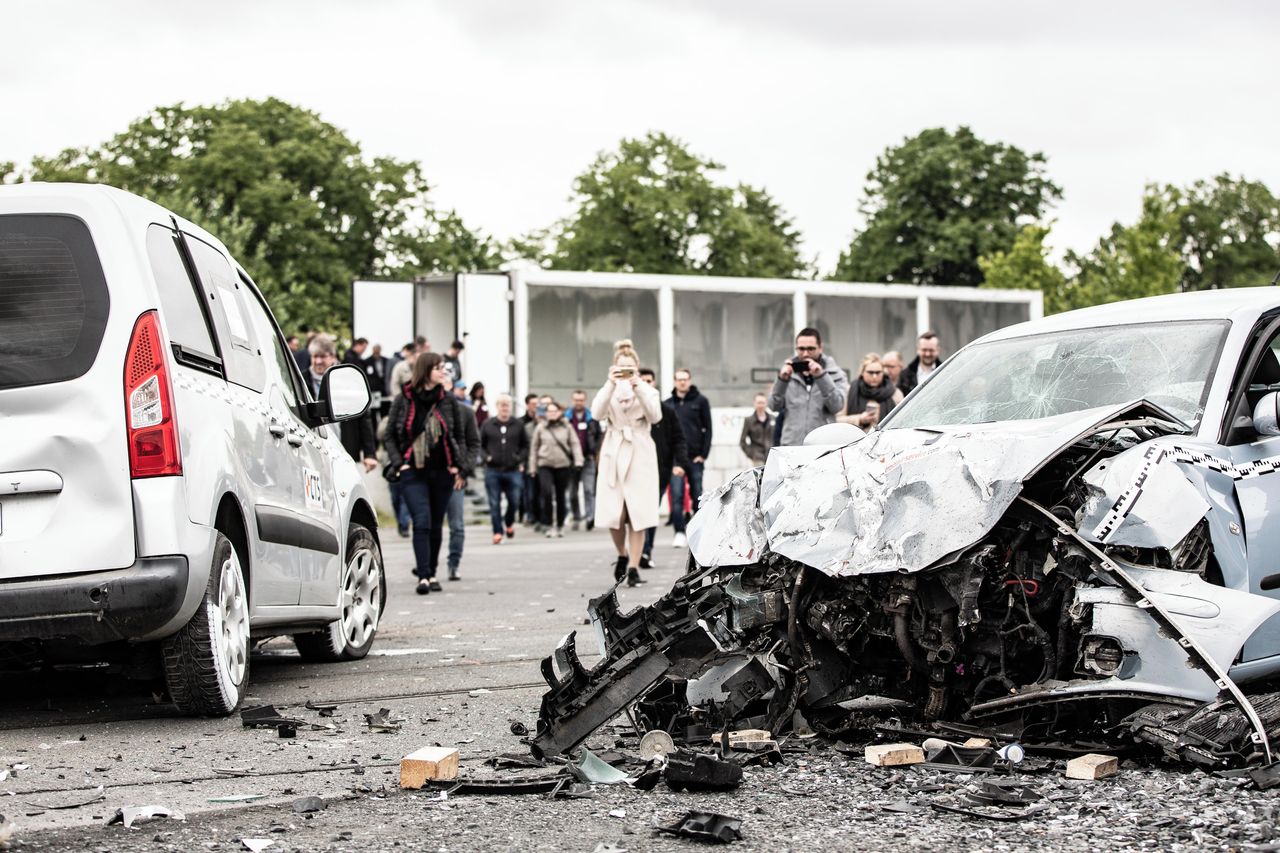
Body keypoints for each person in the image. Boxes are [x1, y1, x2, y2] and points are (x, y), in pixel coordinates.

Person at [384, 352, 474, 595]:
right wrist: (398, 462)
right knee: (421, 521)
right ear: (426, 370)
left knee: (435, 524)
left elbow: (459, 437)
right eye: (438, 368)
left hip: (442, 472)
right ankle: (423, 576)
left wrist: (461, 467)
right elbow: (390, 434)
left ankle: (432, 573)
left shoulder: (449, 401)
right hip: (412, 471)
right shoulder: (404, 398)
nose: (443, 372)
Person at [592, 339, 662, 587]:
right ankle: (621, 554)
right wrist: (611, 383)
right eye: (621, 367)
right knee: (615, 513)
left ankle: (633, 566)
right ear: (613, 367)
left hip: (640, 451)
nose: (625, 371)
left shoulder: (648, 390)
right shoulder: (608, 389)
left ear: (637, 367)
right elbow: (597, 413)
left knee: (638, 513)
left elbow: (655, 416)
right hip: (614, 449)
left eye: (630, 367)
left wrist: (638, 384)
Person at [639, 368, 691, 569]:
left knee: (650, 511)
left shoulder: (666, 412)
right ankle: (633, 553)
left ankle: (645, 551)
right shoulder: (630, 412)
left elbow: (679, 439)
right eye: (641, 381)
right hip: (634, 471)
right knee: (636, 515)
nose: (645, 384)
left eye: (649, 381)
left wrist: (679, 464)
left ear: (653, 384)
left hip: (659, 471)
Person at [768, 327, 850, 446]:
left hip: (823, 447)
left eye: (811, 349)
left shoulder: (834, 373)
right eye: (801, 349)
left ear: (820, 348)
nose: (806, 353)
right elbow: (773, 406)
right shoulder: (787, 373)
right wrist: (782, 380)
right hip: (792, 446)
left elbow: (837, 406)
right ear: (796, 348)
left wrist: (821, 376)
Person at [443, 377, 480, 581]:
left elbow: (474, 444)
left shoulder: (466, 412)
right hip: (434, 476)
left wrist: (464, 471)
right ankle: (426, 567)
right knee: (428, 525)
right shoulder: (430, 412)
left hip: (457, 477)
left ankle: (453, 563)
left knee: (456, 525)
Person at [529, 400, 584, 538]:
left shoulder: (567, 427)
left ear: (559, 412)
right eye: (549, 411)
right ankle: (548, 524)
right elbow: (534, 448)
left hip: (562, 465)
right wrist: (532, 467)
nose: (552, 414)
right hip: (545, 464)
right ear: (546, 413)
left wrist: (578, 461)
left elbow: (575, 444)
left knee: (560, 496)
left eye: (555, 411)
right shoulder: (541, 427)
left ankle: (559, 524)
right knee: (547, 493)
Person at [480, 394, 527, 544]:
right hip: (493, 470)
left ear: (511, 407)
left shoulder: (518, 425)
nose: (504, 407)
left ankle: (509, 522)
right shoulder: (488, 424)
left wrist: (519, 458)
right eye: (502, 405)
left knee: (514, 500)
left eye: (507, 405)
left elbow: (525, 445)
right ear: (497, 406)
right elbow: (480, 445)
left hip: (512, 470)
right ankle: (497, 532)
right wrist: (486, 457)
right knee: (494, 502)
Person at [841, 353, 903, 433]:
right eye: (870, 372)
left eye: (878, 372)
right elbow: (837, 419)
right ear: (862, 372)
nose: (874, 376)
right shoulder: (850, 390)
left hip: (886, 441)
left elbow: (902, 420)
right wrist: (859, 419)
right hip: (855, 440)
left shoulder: (894, 393)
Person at [567, 390, 601, 532]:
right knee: (573, 492)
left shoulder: (592, 418)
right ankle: (576, 516)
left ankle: (590, 517)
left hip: (588, 459)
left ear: (585, 401)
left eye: (581, 400)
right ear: (572, 400)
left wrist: (595, 451)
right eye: (576, 400)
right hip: (571, 460)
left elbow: (599, 436)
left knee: (589, 490)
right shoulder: (566, 418)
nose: (578, 402)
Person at [520, 393, 542, 528]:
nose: (536, 407)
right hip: (528, 461)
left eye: (537, 404)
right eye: (533, 404)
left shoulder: (544, 421)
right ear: (527, 405)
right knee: (529, 492)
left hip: (544, 461)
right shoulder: (522, 422)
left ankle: (540, 516)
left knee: (541, 492)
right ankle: (530, 515)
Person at [738, 392, 774, 465]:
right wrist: (751, 454)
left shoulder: (773, 419)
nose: (761, 405)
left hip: (772, 456)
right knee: (760, 476)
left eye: (762, 403)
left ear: (766, 403)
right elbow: (742, 441)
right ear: (754, 403)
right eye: (759, 403)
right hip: (758, 457)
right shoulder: (749, 420)